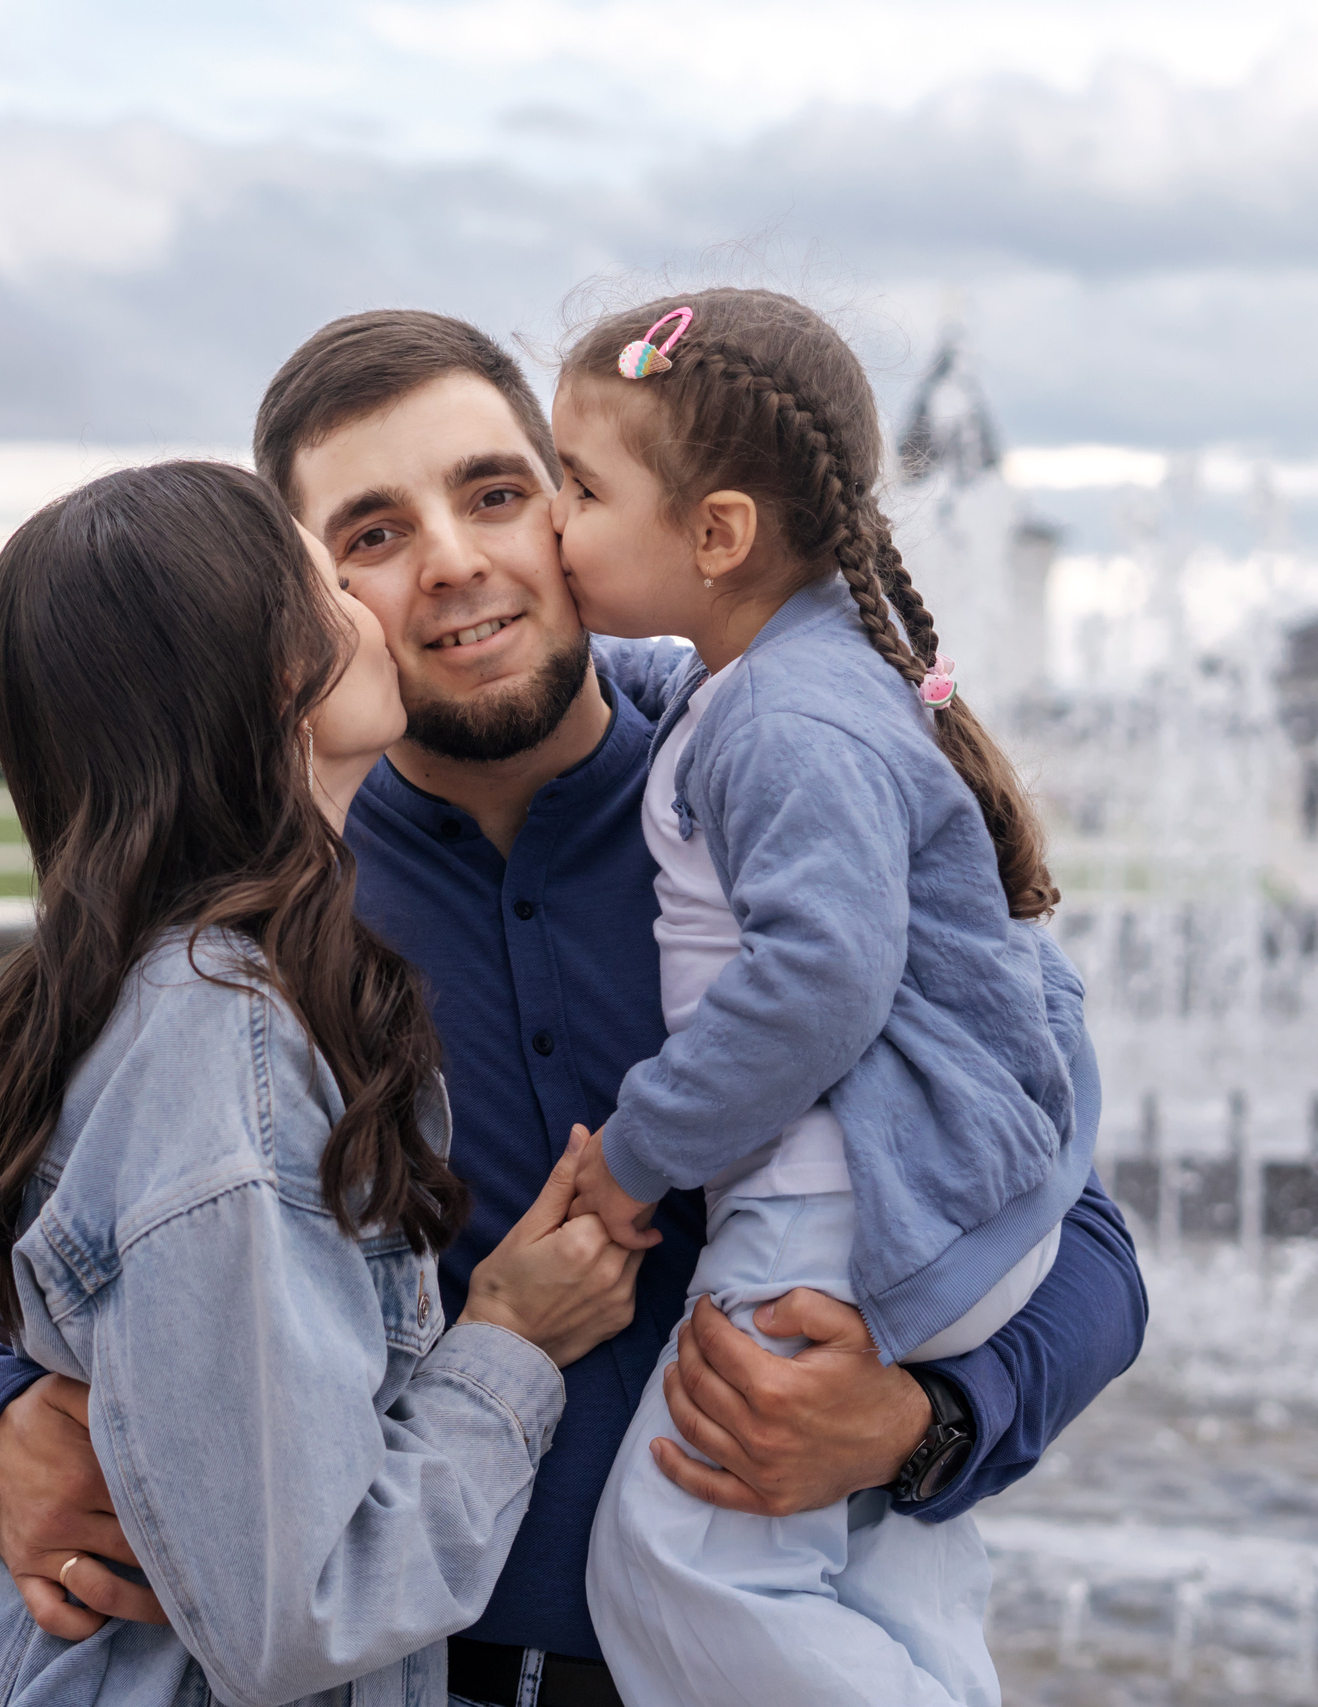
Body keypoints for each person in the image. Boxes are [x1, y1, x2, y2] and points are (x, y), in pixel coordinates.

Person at [0, 309, 1150, 1707]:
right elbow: (9, 1221)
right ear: (299, 605)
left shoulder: (778, 788)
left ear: (578, 503)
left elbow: (1070, 1216)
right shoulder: (254, 904)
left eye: (495, 493)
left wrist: (924, 1423)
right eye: (372, 534)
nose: (452, 561)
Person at [0, 459, 646, 1706]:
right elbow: (303, 1609)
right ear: (268, 673)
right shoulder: (225, 1047)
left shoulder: (187, 988)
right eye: (334, 581)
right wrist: (511, 1342)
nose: (377, 609)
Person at [552, 289, 1084, 1706]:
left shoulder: (786, 719)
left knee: (679, 1567)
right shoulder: (787, 674)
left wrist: (637, 1152)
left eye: (579, 489)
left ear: (717, 534)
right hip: (897, 1193)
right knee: (877, 1578)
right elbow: (624, 673)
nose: (550, 522)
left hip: (828, 1207)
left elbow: (816, 982)